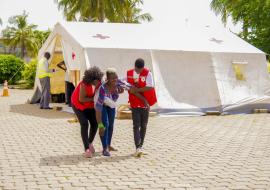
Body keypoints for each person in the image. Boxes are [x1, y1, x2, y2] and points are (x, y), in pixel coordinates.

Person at [127, 58, 157, 157]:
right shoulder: (130, 73)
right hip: (135, 103)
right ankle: (138, 147)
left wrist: (138, 90)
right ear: (134, 66)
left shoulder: (148, 74)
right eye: (137, 69)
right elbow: (129, 88)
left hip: (145, 103)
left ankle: (141, 146)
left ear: (143, 68)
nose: (138, 71)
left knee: (143, 126)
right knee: (136, 125)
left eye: (140, 70)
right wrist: (134, 91)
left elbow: (150, 86)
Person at [71, 66, 104, 158]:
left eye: (99, 80)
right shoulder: (84, 84)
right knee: (85, 124)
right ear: (92, 80)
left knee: (95, 123)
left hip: (89, 105)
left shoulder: (99, 83)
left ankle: (89, 143)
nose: (99, 82)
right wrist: (95, 99)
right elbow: (81, 99)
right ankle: (87, 149)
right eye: (97, 80)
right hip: (78, 105)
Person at [95, 68, 125, 157]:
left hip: (111, 104)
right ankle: (105, 148)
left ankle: (108, 144)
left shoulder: (118, 82)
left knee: (111, 125)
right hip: (102, 105)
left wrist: (122, 90)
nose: (115, 80)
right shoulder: (103, 89)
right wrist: (100, 125)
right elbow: (98, 109)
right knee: (105, 125)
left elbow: (127, 87)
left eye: (116, 77)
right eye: (112, 78)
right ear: (107, 79)